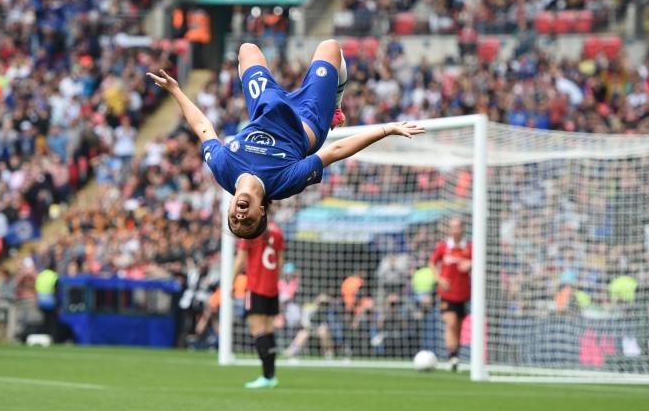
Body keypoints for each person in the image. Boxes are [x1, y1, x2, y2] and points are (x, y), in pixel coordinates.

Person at [147, 39, 425, 239]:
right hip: (308, 119)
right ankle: (334, 102)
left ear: (230, 207)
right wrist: (386, 129)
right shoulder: (284, 183)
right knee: (330, 48)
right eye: (248, 221)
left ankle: (326, 100)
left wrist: (177, 91)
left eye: (234, 219)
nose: (240, 216)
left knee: (247, 50)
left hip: (265, 107)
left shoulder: (223, 169)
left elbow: (203, 128)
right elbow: (336, 151)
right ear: (263, 212)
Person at [233, 219, 284, 389]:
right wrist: (275, 283)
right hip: (272, 288)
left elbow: (241, 259)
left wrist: (230, 282)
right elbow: (280, 262)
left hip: (256, 287)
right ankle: (271, 376)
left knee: (258, 331)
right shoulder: (277, 231)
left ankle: (266, 376)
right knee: (268, 331)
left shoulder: (251, 230)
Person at [430, 218, 472, 372]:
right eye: (452, 227)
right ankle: (451, 355)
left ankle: (455, 356)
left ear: (462, 229)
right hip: (446, 293)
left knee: (459, 327)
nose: (454, 230)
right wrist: (439, 279)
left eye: (457, 227)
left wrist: (471, 264)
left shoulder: (469, 247)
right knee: (451, 323)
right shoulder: (443, 246)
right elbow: (432, 263)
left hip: (463, 293)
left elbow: (479, 262)